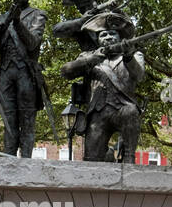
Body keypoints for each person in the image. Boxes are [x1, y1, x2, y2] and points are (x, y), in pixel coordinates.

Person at [59, 12, 145, 163]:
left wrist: (129, 55)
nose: (108, 38)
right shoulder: (89, 56)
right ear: (98, 39)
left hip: (122, 109)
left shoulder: (133, 55)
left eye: (112, 34)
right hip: (97, 113)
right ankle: (108, 157)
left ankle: (129, 157)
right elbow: (65, 72)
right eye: (103, 35)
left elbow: (139, 76)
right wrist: (91, 60)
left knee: (131, 111)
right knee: (92, 159)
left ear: (120, 37)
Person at [0, 0, 49, 157]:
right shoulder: (1, 18)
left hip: (26, 75)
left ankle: (26, 163)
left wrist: (16, 22)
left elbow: (32, 44)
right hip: (6, 75)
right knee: (9, 123)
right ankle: (8, 161)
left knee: (27, 122)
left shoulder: (38, 15)